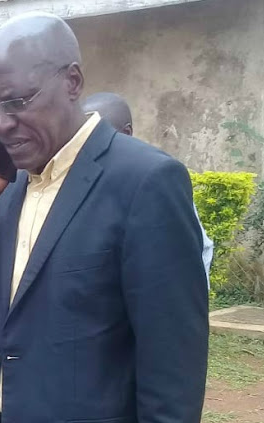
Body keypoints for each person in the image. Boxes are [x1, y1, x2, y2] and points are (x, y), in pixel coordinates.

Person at [0, 13, 208, 423]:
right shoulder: (9, 192)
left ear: (72, 81)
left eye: (17, 101)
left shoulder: (145, 182)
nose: (2, 124)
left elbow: (174, 373)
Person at [82, 91, 214, 285]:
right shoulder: (73, 179)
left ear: (126, 133)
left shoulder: (154, 180)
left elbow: (195, 254)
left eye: (97, 134)